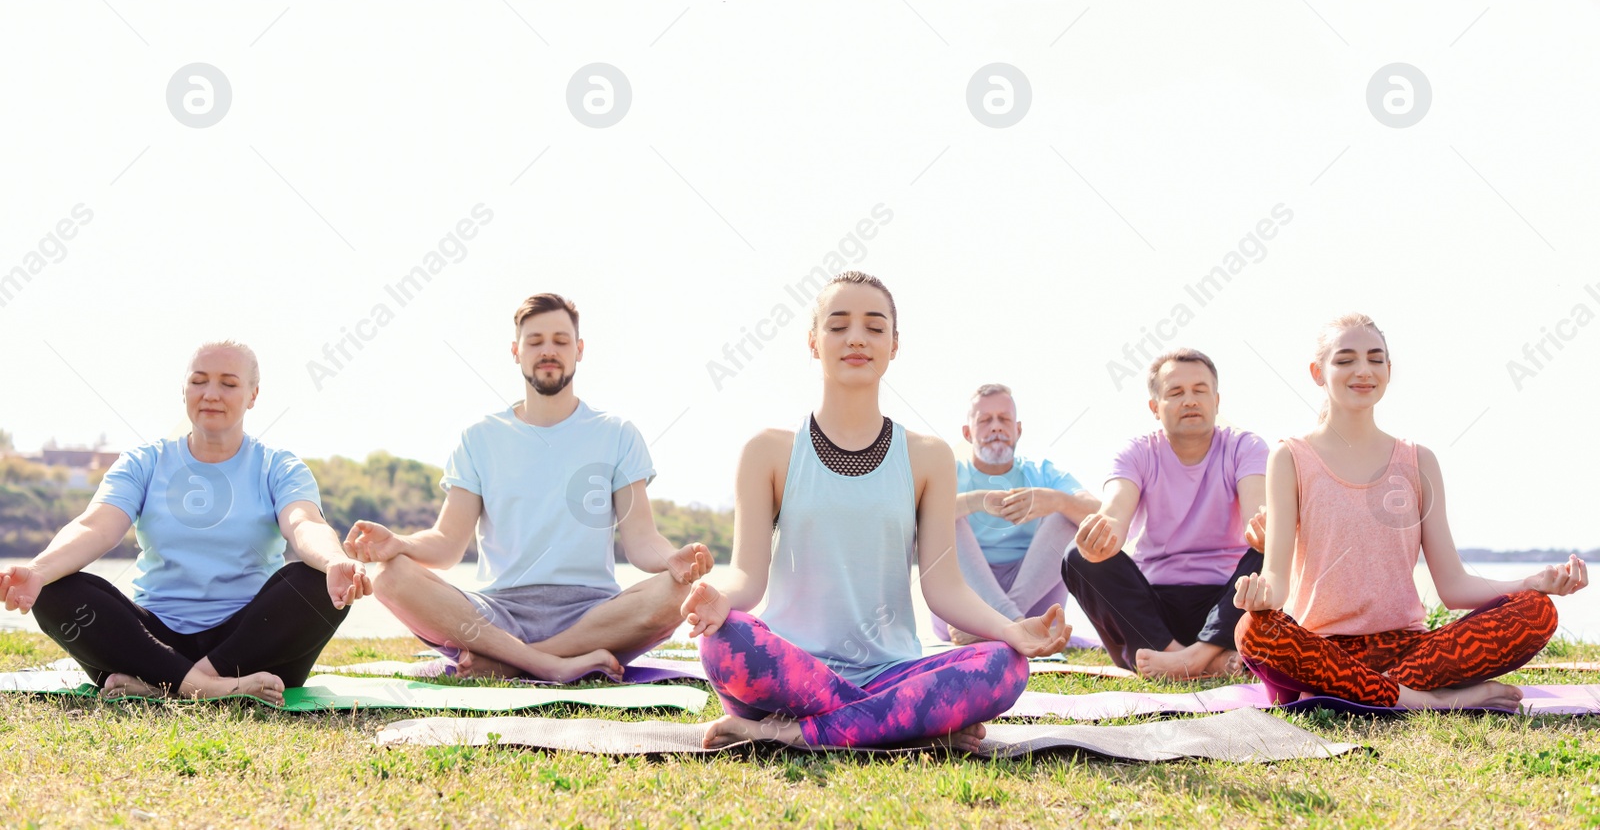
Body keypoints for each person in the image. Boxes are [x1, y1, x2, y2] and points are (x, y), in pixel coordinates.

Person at [678, 271, 1069, 752]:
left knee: (1005, 666)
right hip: (790, 671)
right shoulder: (768, 451)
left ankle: (792, 732)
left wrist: (1012, 631)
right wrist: (720, 598)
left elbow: (944, 588)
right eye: (838, 326)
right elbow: (746, 577)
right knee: (724, 641)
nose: (857, 338)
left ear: (894, 344)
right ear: (813, 342)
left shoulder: (928, 456)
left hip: (889, 669)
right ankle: (901, 720)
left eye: (874, 326)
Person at [348, 293, 713, 682]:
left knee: (675, 593)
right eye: (535, 342)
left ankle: (511, 662)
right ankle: (547, 663)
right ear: (515, 351)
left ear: (580, 349)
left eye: (560, 340)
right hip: (497, 615)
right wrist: (401, 544)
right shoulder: (479, 437)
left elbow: (643, 539)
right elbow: (447, 542)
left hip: (592, 615)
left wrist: (673, 559)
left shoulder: (617, 434)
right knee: (391, 577)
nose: (548, 351)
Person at [1233, 313, 1586, 710]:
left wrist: (1532, 581)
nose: (1362, 370)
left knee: (1536, 610)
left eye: (1374, 358)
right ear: (1318, 372)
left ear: (1388, 369)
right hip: (1322, 651)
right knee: (1253, 630)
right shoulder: (1290, 456)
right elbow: (1276, 580)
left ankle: (1366, 694)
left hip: (1409, 651)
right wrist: (1261, 596)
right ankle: (1431, 702)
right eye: (1345, 359)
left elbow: (1453, 586)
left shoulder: (1419, 461)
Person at [0, 341, 367, 705]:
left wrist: (334, 560)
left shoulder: (279, 467)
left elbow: (304, 523)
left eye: (228, 383)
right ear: (184, 389)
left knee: (319, 581)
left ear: (253, 395)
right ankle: (208, 688)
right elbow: (96, 526)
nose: (211, 394)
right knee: (53, 588)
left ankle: (167, 685)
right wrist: (38, 570)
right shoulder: (144, 462)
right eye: (199, 381)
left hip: (251, 645)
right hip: (151, 644)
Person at [1064, 348, 1266, 679]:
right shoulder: (1136, 453)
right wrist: (1101, 535)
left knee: (1273, 545)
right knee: (1080, 556)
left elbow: (1258, 513)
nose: (1189, 400)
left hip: (1226, 602)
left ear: (1216, 401)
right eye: (1176, 392)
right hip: (1155, 609)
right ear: (1155, 408)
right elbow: (1115, 511)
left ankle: (1196, 657)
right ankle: (1182, 658)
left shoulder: (1245, 447)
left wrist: (1267, 527)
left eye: (1200, 390)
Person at [934, 383, 1099, 645]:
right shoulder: (949, 474)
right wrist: (976, 501)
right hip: (965, 603)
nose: (996, 427)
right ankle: (1014, 624)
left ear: (1018, 429)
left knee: (1068, 515)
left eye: (1004, 419)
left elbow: (1101, 516)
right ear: (968, 433)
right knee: (941, 516)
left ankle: (1004, 623)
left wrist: (1055, 500)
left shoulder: (1042, 472)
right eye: (985, 420)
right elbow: (912, 519)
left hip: (1032, 603)